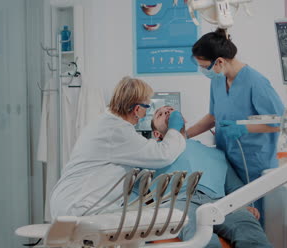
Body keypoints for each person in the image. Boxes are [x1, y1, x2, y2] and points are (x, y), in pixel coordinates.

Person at [50, 76, 186, 218]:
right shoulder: (117, 131)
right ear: (137, 109)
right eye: (148, 107)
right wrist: (174, 129)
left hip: (73, 199)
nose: (147, 113)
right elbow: (163, 155)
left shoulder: (108, 124)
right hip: (80, 205)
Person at [186, 28, 285, 219]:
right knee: (234, 217)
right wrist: (184, 135)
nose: (203, 71)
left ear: (220, 62)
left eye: (204, 66)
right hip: (228, 164)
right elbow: (213, 116)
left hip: (255, 165)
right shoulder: (217, 80)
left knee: (257, 219)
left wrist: (244, 128)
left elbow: (280, 121)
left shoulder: (256, 82)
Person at [151, 106, 272, 248]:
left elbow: (235, 187)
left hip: (219, 202)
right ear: (156, 134)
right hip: (179, 200)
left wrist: (245, 206)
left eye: (170, 110)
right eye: (159, 114)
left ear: (183, 120)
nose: (166, 112)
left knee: (249, 228)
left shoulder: (216, 154)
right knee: (202, 237)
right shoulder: (153, 152)